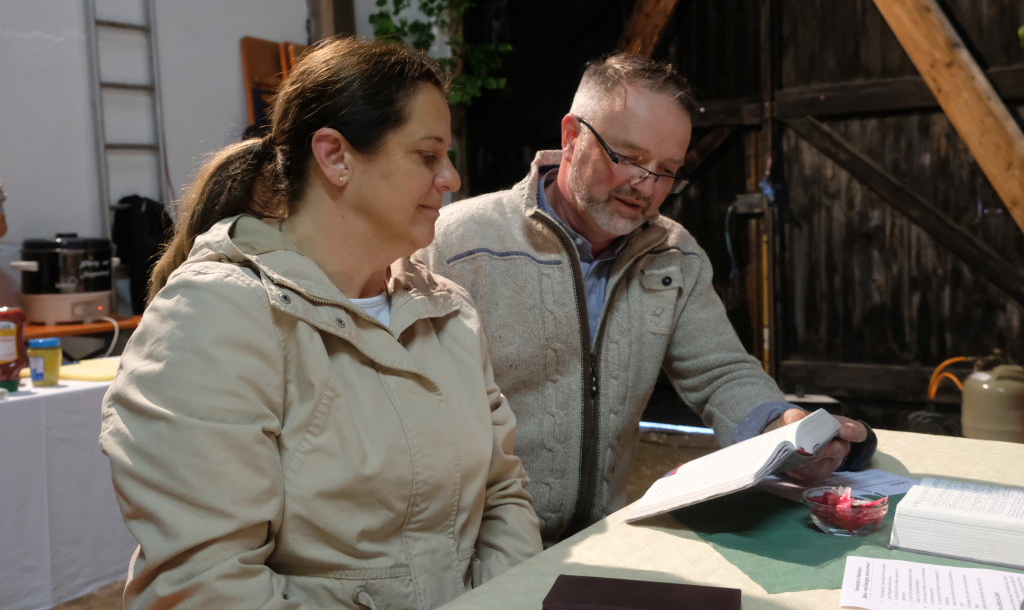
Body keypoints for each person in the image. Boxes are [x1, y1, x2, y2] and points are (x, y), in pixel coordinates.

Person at [100, 36, 542, 609]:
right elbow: (206, 584)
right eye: (428, 156)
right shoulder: (214, 318)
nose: (452, 178)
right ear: (335, 157)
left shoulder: (447, 311)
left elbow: (504, 495)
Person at [415, 53, 876, 545]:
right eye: (630, 158)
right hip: (481, 548)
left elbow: (719, 371)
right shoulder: (455, 245)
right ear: (572, 136)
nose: (647, 185)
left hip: (604, 539)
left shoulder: (674, 254)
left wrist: (781, 426)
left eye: (667, 170)